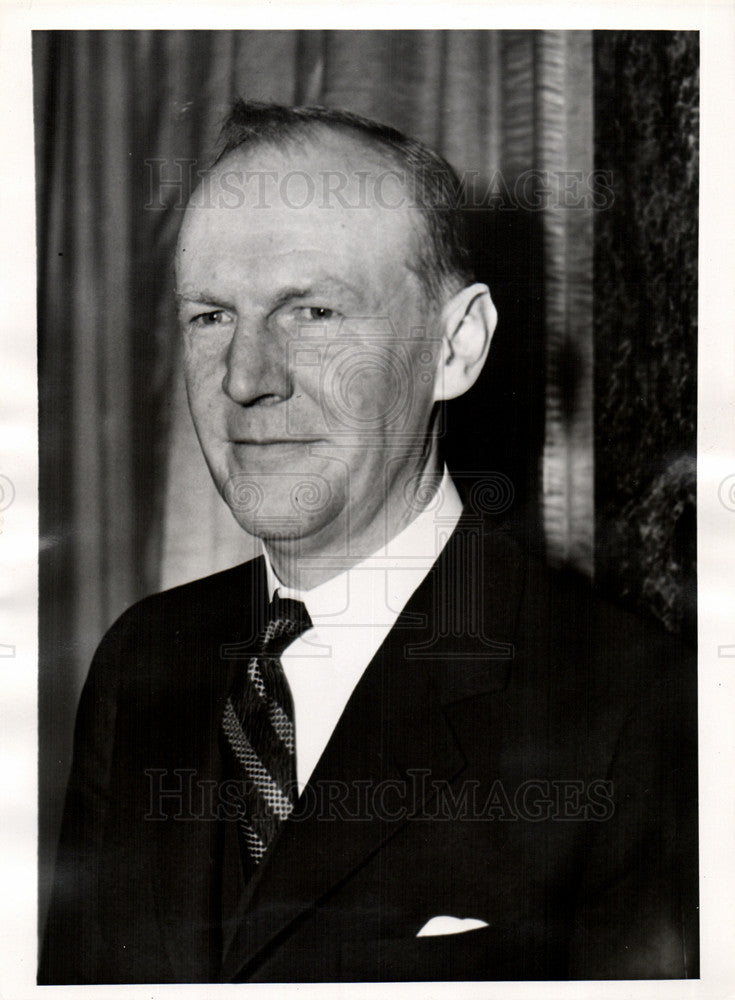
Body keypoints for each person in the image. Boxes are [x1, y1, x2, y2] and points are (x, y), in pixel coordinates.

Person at [39, 101, 698, 984]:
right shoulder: (144, 659)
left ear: (455, 347)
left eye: (312, 312)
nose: (246, 378)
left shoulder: (633, 706)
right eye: (210, 317)